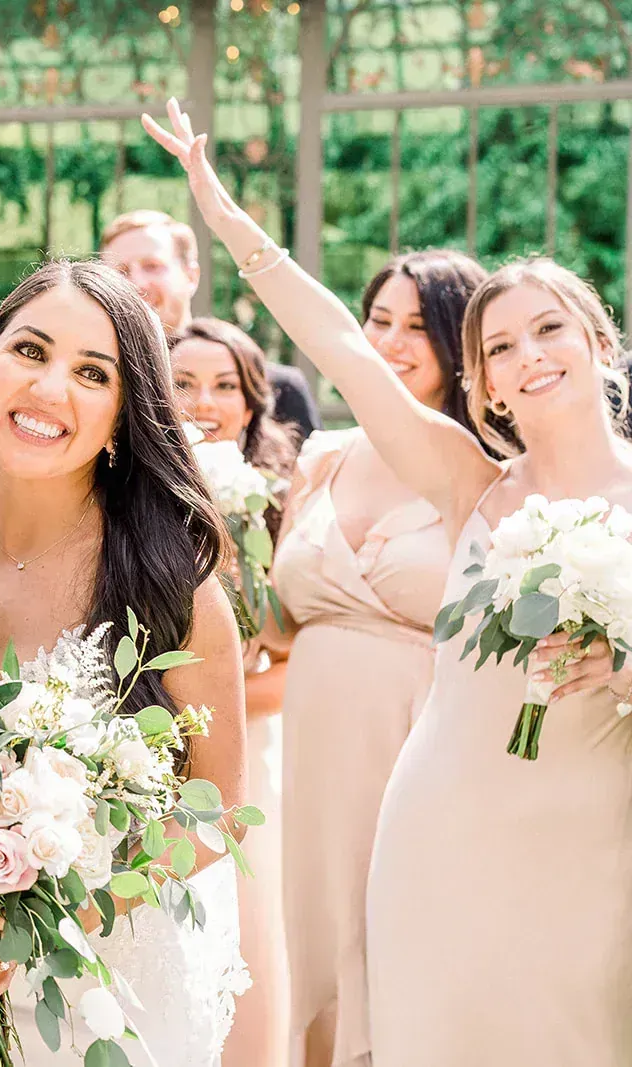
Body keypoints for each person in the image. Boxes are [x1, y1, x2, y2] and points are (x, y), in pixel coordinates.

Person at [149, 97, 632, 1067]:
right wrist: (227, 219)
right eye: (499, 347)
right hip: (441, 820)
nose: (526, 356)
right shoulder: (467, 481)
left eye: (549, 329)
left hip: (594, 834)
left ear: (598, 343)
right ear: (484, 384)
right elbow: (337, 345)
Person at [0, 259, 250, 1066]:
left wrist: (43, 925)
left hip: (100, 993)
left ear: (123, 416)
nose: (50, 388)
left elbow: (216, 815)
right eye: (30, 351)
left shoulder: (170, 586)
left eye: (92, 373)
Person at [268, 249, 487, 1067]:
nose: (393, 343)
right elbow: (280, 624)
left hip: (419, 737)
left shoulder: (481, 467)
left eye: (418, 327)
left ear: (459, 346)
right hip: (311, 749)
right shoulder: (322, 456)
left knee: (397, 934)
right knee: (316, 936)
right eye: (379, 322)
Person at [170, 316, 297, 1067]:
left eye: (225, 386)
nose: (204, 401)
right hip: (146, 741)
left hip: (248, 739)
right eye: (183, 382)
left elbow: (289, 638)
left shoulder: (276, 501)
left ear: (251, 404)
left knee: (251, 923)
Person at [102, 209, 321, 442]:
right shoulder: (99, 386)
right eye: (120, 272)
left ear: (191, 276)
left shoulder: (279, 388)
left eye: (152, 266)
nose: (136, 283)